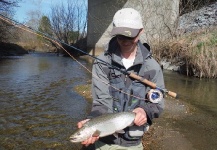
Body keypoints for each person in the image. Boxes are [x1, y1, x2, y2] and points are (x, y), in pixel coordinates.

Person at [77, 8, 165, 150]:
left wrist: (145, 111)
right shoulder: (102, 62)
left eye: (130, 37)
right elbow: (101, 101)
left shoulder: (152, 67)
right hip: (104, 139)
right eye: (120, 36)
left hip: (133, 142)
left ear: (140, 32)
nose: (125, 41)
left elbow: (158, 104)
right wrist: (92, 123)